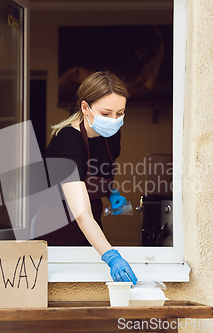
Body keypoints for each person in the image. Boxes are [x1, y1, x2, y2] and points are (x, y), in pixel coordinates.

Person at [36, 71, 137, 284]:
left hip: (90, 231)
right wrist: (112, 257)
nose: (114, 120)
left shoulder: (110, 134)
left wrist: (111, 193)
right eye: (106, 113)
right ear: (85, 108)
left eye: (120, 113)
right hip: (57, 234)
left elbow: (95, 173)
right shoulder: (66, 142)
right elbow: (81, 213)